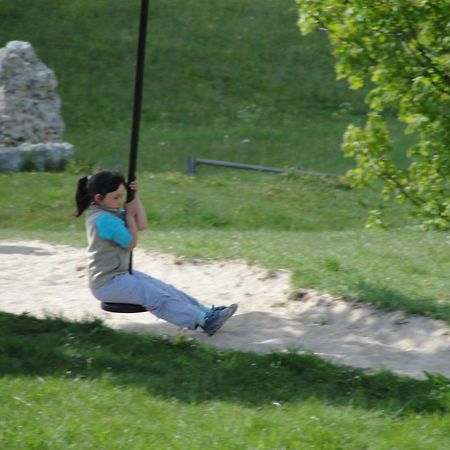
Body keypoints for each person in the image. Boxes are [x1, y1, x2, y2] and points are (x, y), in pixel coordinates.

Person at [74, 170, 237, 336]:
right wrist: (129, 214)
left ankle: (206, 313)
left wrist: (135, 197)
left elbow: (141, 224)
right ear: (98, 198)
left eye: (122, 196)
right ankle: (203, 321)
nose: (120, 201)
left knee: (166, 289)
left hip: (119, 274)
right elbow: (131, 242)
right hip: (107, 282)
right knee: (156, 297)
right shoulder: (104, 219)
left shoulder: (109, 212)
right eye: (116, 197)